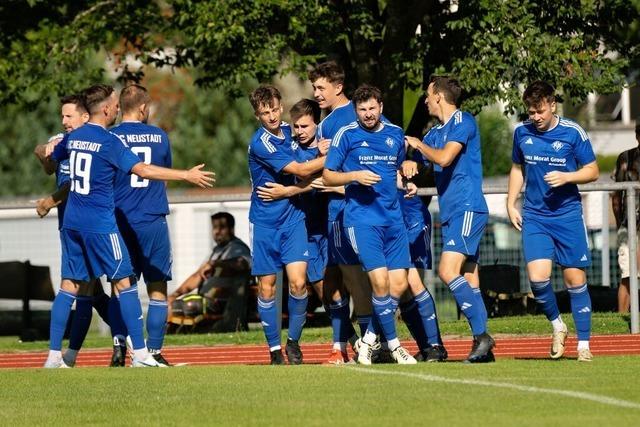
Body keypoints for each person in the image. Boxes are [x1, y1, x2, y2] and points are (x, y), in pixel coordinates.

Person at [43, 84, 215, 368]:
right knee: (126, 282)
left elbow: (52, 156)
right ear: (107, 109)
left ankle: (53, 357)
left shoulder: (74, 137)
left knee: (69, 286)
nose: (117, 109)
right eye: (114, 105)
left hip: (72, 222)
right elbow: (144, 170)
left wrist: (48, 147)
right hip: (101, 225)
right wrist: (185, 174)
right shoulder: (109, 142)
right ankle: (142, 355)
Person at [323, 84, 417, 365]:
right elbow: (328, 176)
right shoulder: (346, 135)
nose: (367, 114)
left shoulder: (395, 134)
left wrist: (407, 184)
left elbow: (394, 174)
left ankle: (368, 340)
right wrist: (354, 176)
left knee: (398, 285)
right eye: (362, 109)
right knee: (380, 282)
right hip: (362, 221)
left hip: (393, 221)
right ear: (356, 110)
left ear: (381, 107)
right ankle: (396, 346)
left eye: (372, 108)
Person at [506, 80, 599, 362]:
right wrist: (511, 203)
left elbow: (593, 171)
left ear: (552, 105)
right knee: (537, 278)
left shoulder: (573, 132)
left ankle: (583, 345)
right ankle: (558, 325)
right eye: (531, 112)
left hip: (568, 215)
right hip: (535, 216)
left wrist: (567, 177)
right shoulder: (522, 133)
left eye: (539, 111)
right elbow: (517, 169)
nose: (535, 117)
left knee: (574, 279)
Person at [404, 75, 494, 363]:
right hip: (452, 212)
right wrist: (409, 165)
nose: (426, 100)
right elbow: (419, 163)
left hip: (468, 208)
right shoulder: (435, 133)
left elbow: (443, 159)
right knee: (469, 276)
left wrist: (417, 146)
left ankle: (482, 337)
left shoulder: (463, 122)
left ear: (439, 97)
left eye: (428, 95)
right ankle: (483, 349)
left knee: (447, 271)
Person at [33, 94, 115, 368]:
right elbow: (41, 152)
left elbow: (73, 185)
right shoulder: (65, 138)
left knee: (85, 290)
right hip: (71, 227)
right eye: (62, 116)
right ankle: (123, 341)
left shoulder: (92, 141)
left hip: (90, 225)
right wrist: (46, 155)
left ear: (85, 117)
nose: (64, 121)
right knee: (92, 293)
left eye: (69, 116)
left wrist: (49, 201)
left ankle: (67, 355)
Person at [248, 84, 327, 365]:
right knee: (267, 287)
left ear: (280, 107)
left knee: (297, 283)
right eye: (264, 112)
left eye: (274, 109)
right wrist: (334, 154)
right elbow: (303, 170)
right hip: (266, 223)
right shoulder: (261, 143)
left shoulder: (291, 134)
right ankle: (273, 349)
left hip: (294, 219)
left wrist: (320, 150)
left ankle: (293, 342)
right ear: (257, 115)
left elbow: (308, 156)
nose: (271, 116)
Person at [109, 84, 174, 366]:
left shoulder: (109, 137)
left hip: (120, 219)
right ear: (144, 108)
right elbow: (164, 174)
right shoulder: (159, 137)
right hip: (152, 218)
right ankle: (155, 352)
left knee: (121, 286)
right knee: (157, 287)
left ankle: (119, 347)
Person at [309, 61, 368, 358]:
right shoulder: (326, 121)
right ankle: (349, 345)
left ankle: (362, 343)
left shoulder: (352, 116)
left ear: (338, 87)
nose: (316, 93)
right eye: (314, 88)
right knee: (331, 282)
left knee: (358, 281)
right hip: (333, 213)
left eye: (321, 87)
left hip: (352, 210)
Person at [168, 212, 252, 332]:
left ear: (231, 229)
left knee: (179, 307)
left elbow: (243, 264)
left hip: (220, 303)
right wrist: (174, 295)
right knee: (171, 304)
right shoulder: (217, 251)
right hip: (206, 301)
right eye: (214, 227)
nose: (217, 231)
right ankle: (165, 341)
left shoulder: (237, 248)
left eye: (221, 227)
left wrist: (215, 264)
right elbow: (197, 276)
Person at [611, 122, 640, 313]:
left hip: (628, 223)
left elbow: (615, 199)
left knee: (628, 275)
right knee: (628, 274)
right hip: (630, 224)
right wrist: (621, 223)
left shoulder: (625, 158)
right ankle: (621, 321)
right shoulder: (625, 158)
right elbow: (616, 198)